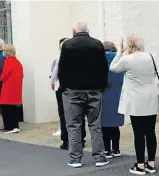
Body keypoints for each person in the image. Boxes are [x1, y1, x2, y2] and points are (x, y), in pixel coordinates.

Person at [58, 22, 109, 168]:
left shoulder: (67, 45)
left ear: (74, 31)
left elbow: (62, 68)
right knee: (95, 124)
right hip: (93, 89)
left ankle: (75, 158)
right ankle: (99, 157)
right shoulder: (97, 44)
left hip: (72, 90)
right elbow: (104, 68)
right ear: (87, 30)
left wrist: (64, 87)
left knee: (73, 125)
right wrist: (101, 87)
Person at [109, 33, 159, 175]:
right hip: (151, 97)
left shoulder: (127, 59)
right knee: (150, 132)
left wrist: (119, 52)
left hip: (136, 100)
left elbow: (113, 68)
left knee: (138, 133)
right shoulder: (150, 56)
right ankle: (151, 163)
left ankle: (140, 164)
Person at [50, 37, 87, 150]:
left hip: (63, 88)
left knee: (64, 114)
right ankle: (80, 139)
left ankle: (67, 140)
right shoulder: (80, 57)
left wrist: (52, 83)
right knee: (79, 113)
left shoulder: (60, 57)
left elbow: (54, 72)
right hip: (78, 87)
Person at [102, 41, 125, 159]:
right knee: (115, 125)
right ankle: (116, 149)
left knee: (104, 124)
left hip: (104, 94)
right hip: (118, 93)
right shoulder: (120, 59)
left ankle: (107, 149)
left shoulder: (100, 60)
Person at [0, 44, 24, 134]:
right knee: (13, 108)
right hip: (16, 88)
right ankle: (14, 126)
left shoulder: (8, 61)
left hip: (8, 87)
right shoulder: (17, 62)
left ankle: (10, 126)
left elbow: (4, 75)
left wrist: (0, 78)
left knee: (7, 108)